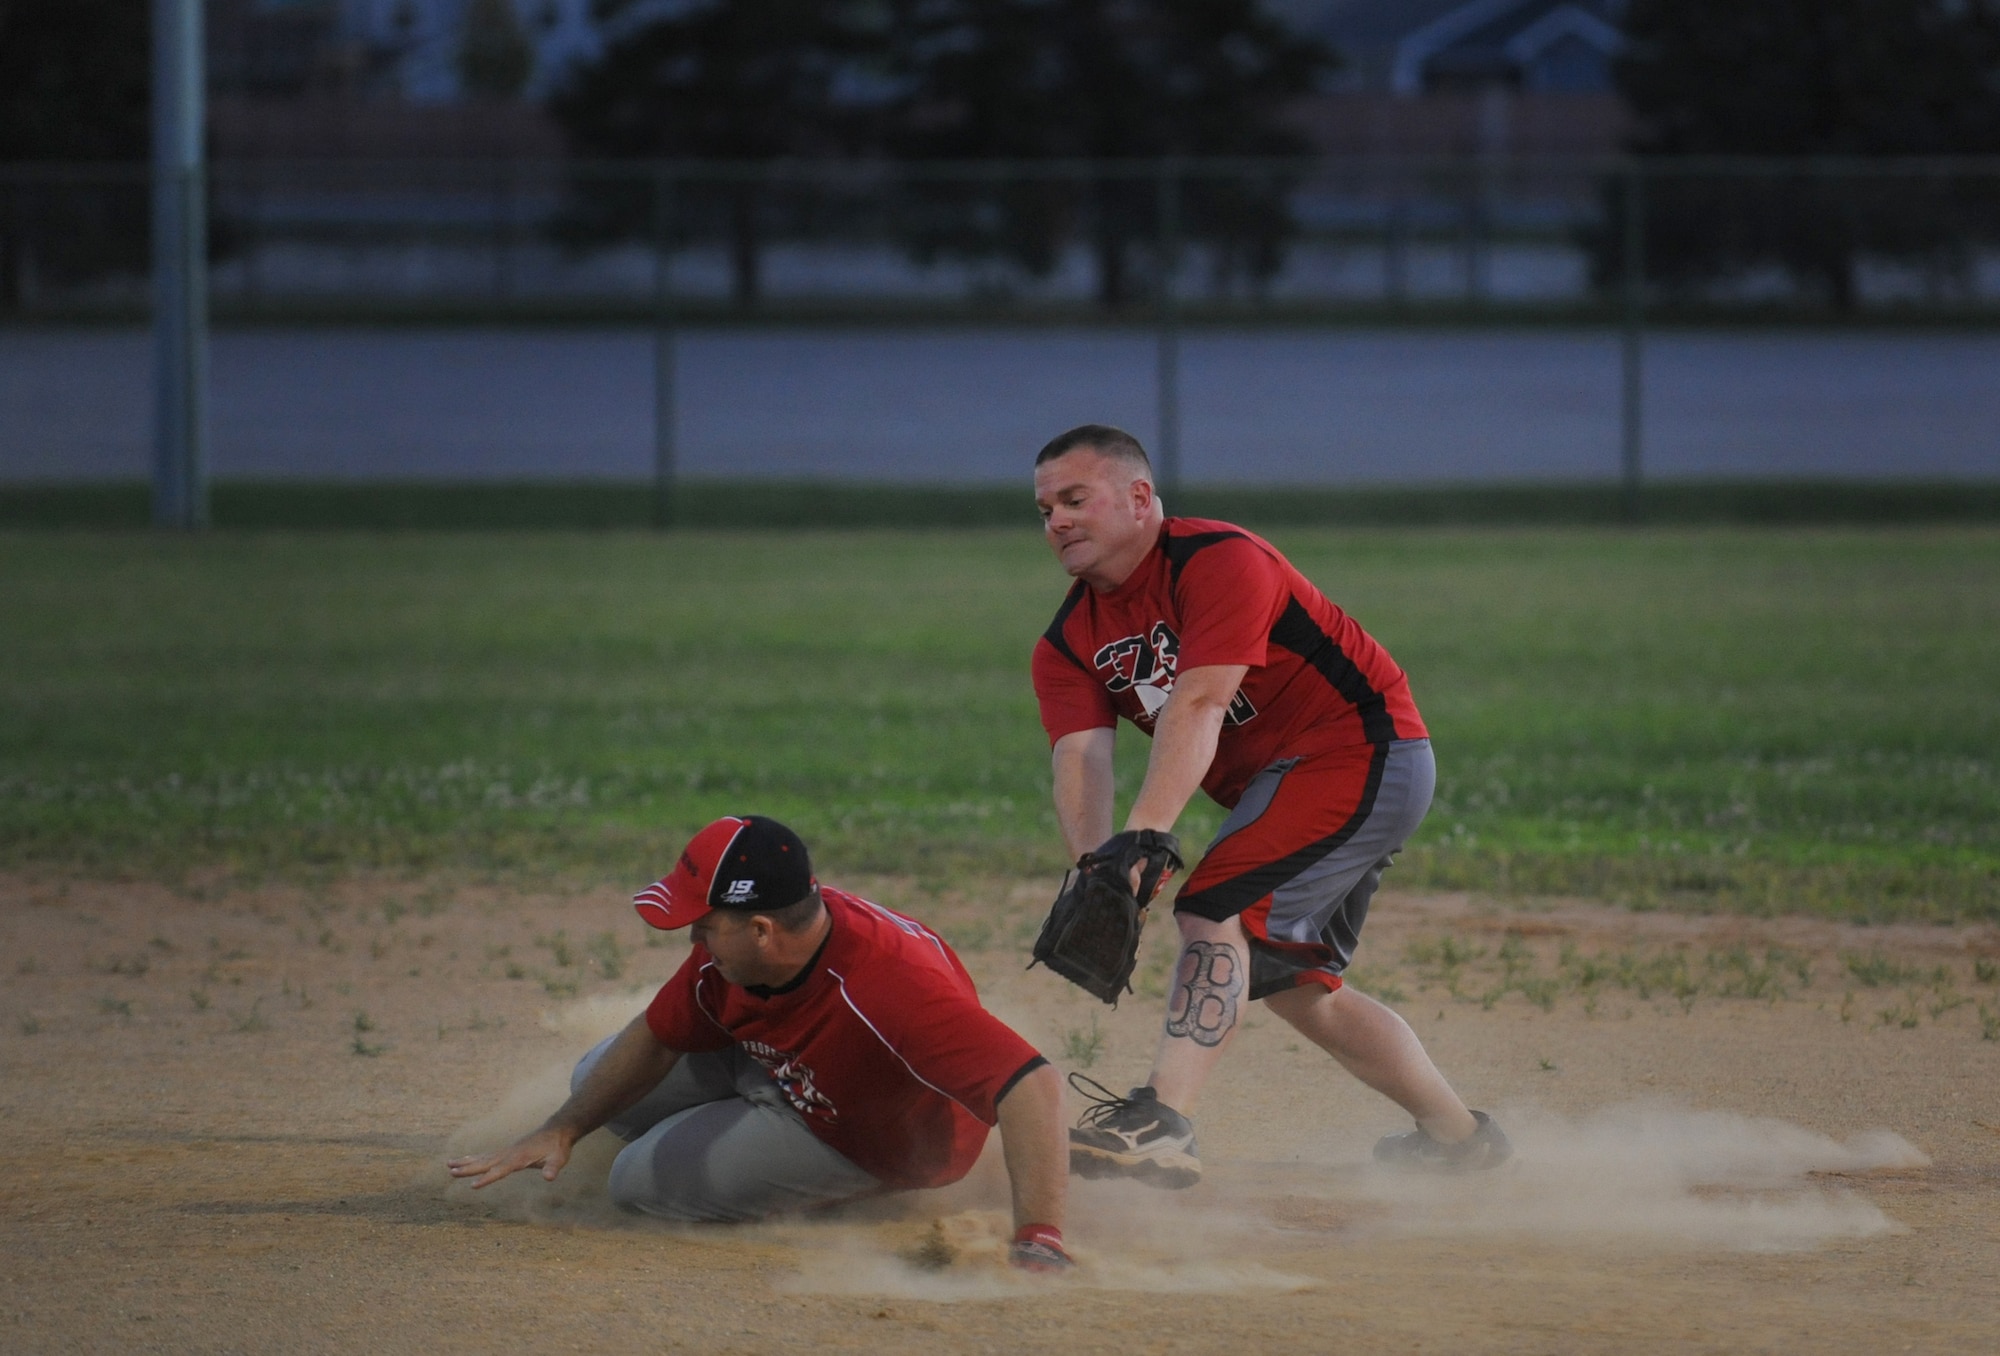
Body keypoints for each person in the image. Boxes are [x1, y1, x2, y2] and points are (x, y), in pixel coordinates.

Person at [1029, 424, 1509, 1187]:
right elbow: (1080, 756)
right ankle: (1461, 1141)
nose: (1055, 520)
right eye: (1045, 507)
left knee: (1216, 904)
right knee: (1292, 983)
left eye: (1074, 498)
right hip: (1288, 786)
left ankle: (1164, 1122)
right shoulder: (1067, 642)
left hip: (1361, 748)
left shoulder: (1220, 559)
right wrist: (1096, 868)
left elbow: (1200, 702)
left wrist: (1146, 835)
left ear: (1140, 498)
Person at [448, 814, 1074, 1271]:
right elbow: (658, 1033)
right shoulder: (735, 956)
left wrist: (1038, 1238)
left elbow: (1030, 1083)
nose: (695, 938)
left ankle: (818, 1188)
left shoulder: (889, 988)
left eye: (706, 925)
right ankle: (737, 1133)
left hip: (865, 1137)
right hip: (793, 1068)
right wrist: (563, 1128)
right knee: (594, 1086)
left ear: (763, 930)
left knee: (635, 1183)